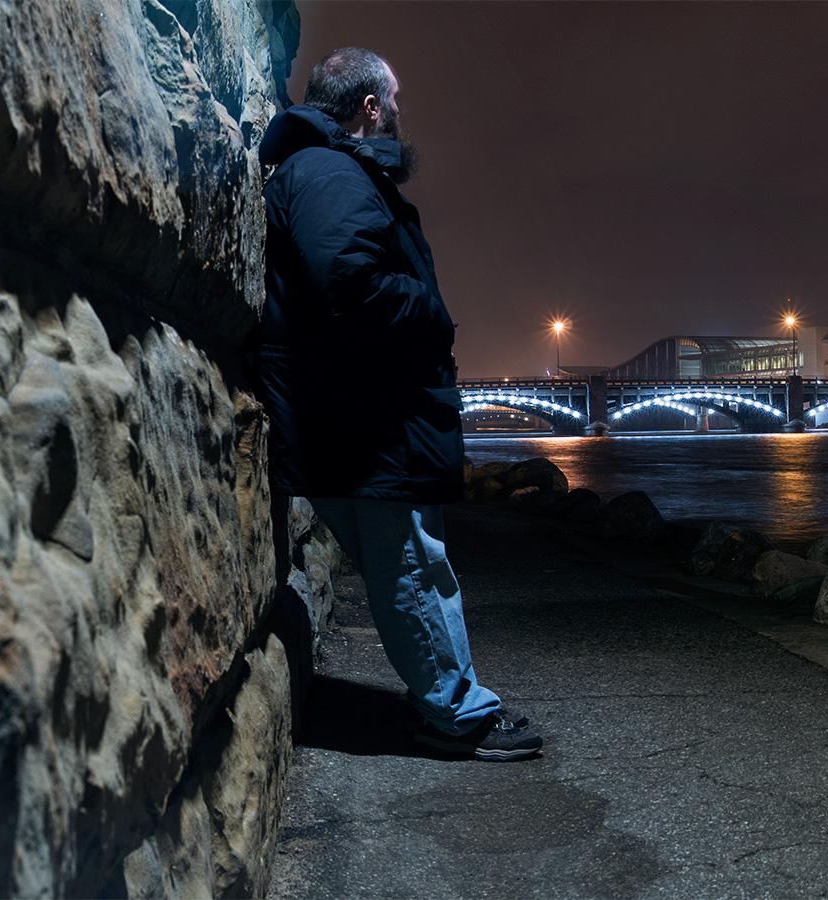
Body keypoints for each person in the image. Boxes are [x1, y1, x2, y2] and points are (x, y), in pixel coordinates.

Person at [256, 46, 546, 762]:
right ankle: (457, 716)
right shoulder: (330, 171)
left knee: (410, 563)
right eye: (396, 99)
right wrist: (433, 312)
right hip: (371, 417)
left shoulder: (317, 169)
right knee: (416, 564)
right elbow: (349, 285)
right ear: (370, 107)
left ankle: (449, 701)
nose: (399, 112)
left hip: (356, 412)